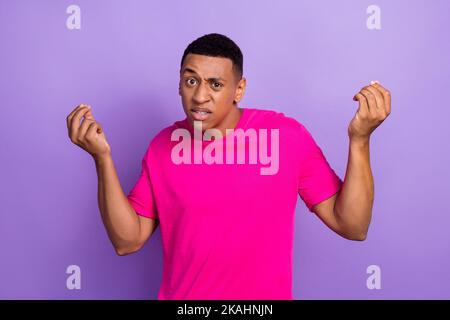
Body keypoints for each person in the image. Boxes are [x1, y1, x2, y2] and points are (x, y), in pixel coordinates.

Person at [66, 33, 391, 300]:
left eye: (215, 85)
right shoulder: (163, 146)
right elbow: (128, 240)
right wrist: (102, 159)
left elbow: (352, 225)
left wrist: (359, 140)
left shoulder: (285, 138)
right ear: (179, 84)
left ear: (239, 90)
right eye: (190, 81)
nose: (200, 96)